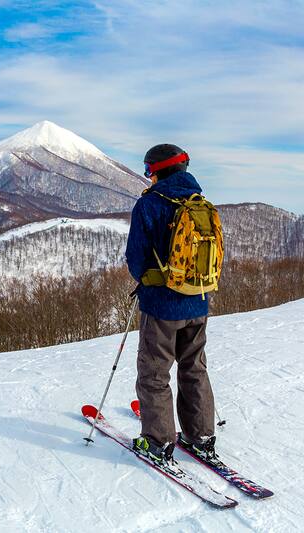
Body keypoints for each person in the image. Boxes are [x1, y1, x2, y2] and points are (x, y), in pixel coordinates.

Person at [125, 144, 218, 466]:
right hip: (199, 301)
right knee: (194, 369)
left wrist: (148, 281)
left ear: (155, 170)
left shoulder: (150, 204)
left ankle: (158, 441)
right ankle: (201, 437)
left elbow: (136, 258)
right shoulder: (202, 203)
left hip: (162, 305)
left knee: (154, 373)